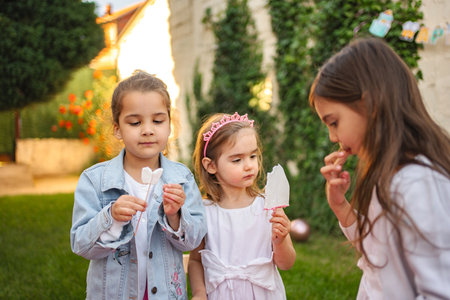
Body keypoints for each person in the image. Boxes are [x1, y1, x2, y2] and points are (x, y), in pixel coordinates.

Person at [309, 37, 450, 299]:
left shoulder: (416, 184)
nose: (331, 137)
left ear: (370, 104)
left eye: (334, 122)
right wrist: (341, 206)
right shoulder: (389, 175)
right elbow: (380, 253)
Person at [70, 70, 207, 300]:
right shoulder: (94, 181)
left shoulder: (181, 178)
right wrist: (111, 216)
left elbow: (193, 242)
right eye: (135, 122)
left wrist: (175, 216)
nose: (147, 129)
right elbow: (81, 245)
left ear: (170, 125)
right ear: (117, 129)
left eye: (157, 120)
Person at [188, 112, 296, 299]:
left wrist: (281, 240)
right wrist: (199, 293)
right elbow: (196, 260)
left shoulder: (268, 206)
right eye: (237, 160)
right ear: (211, 165)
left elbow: (286, 264)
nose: (248, 166)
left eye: (253, 156)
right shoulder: (204, 212)